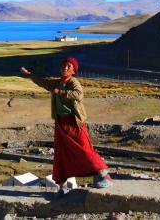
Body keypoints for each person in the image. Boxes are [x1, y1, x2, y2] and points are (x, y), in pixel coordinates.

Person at [20, 57, 112, 194]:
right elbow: (43, 82)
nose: (65, 68)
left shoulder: (73, 82)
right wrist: (29, 75)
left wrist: (62, 92)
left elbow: (79, 94)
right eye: (64, 65)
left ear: (74, 71)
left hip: (74, 123)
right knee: (62, 154)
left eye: (69, 66)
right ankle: (63, 186)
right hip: (61, 123)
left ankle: (105, 176)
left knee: (85, 149)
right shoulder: (57, 82)